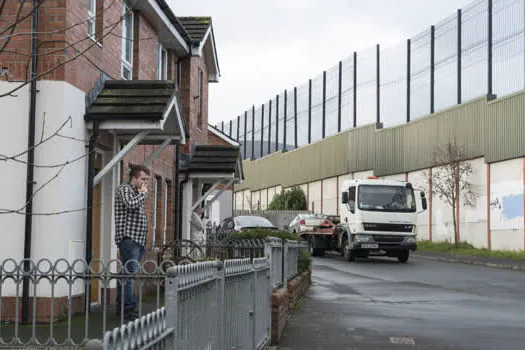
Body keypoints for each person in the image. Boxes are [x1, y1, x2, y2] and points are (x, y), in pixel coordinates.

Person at [114, 164, 150, 321]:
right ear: (134, 177)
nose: (145, 183)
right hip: (129, 239)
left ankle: (121, 306)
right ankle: (129, 309)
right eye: (143, 179)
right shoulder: (125, 189)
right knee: (130, 274)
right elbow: (130, 203)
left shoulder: (135, 191)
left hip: (137, 240)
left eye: (147, 180)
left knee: (125, 274)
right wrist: (142, 194)